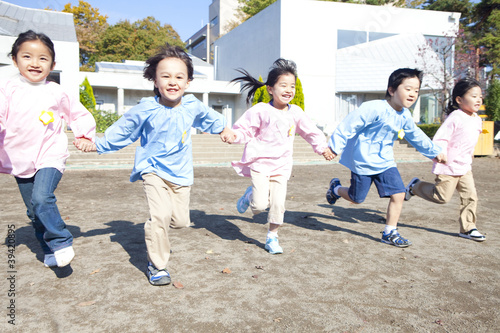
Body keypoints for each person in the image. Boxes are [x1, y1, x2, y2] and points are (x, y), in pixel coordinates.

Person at [75, 45, 234, 285]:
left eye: (179, 77)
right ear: (155, 80)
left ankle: (159, 230)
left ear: (188, 81)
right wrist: (97, 144)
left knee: (180, 222)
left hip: (181, 173)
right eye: (166, 76)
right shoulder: (146, 109)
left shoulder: (192, 105)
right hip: (153, 170)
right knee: (159, 216)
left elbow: (209, 118)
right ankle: (157, 265)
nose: (173, 82)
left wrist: (223, 128)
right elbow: (124, 131)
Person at [0, 30, 96, 268]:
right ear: (15, 59)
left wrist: (84, 135)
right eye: (27, 56)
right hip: (19, 158)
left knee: (42, 198)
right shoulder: (7, 89)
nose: (35, 63)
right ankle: (48, 249)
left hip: (50, 153)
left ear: (52, 64)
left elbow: (77, 113)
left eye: (43, 58)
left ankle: (62, 240)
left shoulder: (56, 90)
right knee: (34, 211)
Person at [325, 68, 446, 248]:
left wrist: (434, 151)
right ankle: (336, 189)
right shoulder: (373, 108)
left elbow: (415, 135)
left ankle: (390, 232)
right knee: (356, 198)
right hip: (363, 162)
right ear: (391, 90)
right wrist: (334, 146)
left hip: (385, 162)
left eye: (416, 90)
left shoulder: (405, 115)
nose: (413, 94)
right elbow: (349, 124)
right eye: (408, 89)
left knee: (399, 193)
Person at [228, 59, 334, 254]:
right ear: (270, 89)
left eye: (292, 86)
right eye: (283, 85)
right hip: (260, 163)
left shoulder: (296, 112)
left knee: (278, 203)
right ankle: (249, 195)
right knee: (260, 205)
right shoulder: (261, 110)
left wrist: (322, 148)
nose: (288, 90)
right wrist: (234, 136)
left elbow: (311, 132)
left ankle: (272, 237)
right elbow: (245, 129)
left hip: (282, 165)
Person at [405, 78, 486, 242]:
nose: (479, 100)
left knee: (471, 197)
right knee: (442, 197)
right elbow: (441, 138)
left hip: (464, 167)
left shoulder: (477, 118)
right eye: (474, 96)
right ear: (459, 99)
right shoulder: (455, 117)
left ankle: (468, 228)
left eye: (480, 96)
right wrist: (439, 153)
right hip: (448, 165)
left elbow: (469, 140)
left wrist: (470, 153)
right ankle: (415, 186)